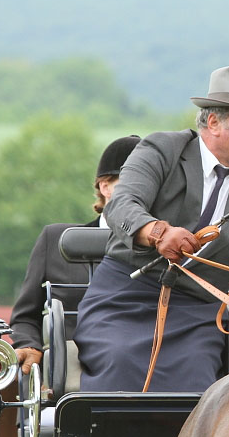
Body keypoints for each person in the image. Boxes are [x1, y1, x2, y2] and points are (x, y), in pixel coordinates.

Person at [73, 66, 229, 392]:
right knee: (119, 362)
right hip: (123, 299)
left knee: (194, 387)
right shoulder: (161, 149)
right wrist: (157, 232)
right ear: (214, 122)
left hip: (198, 315)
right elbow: (122, 204)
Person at [11, 135, 141, 374]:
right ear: (105, 187)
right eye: (132, 184)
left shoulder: (165, 250)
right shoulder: (55, 240)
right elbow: (25, 317)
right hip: (68, 374)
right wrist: (30, 345)